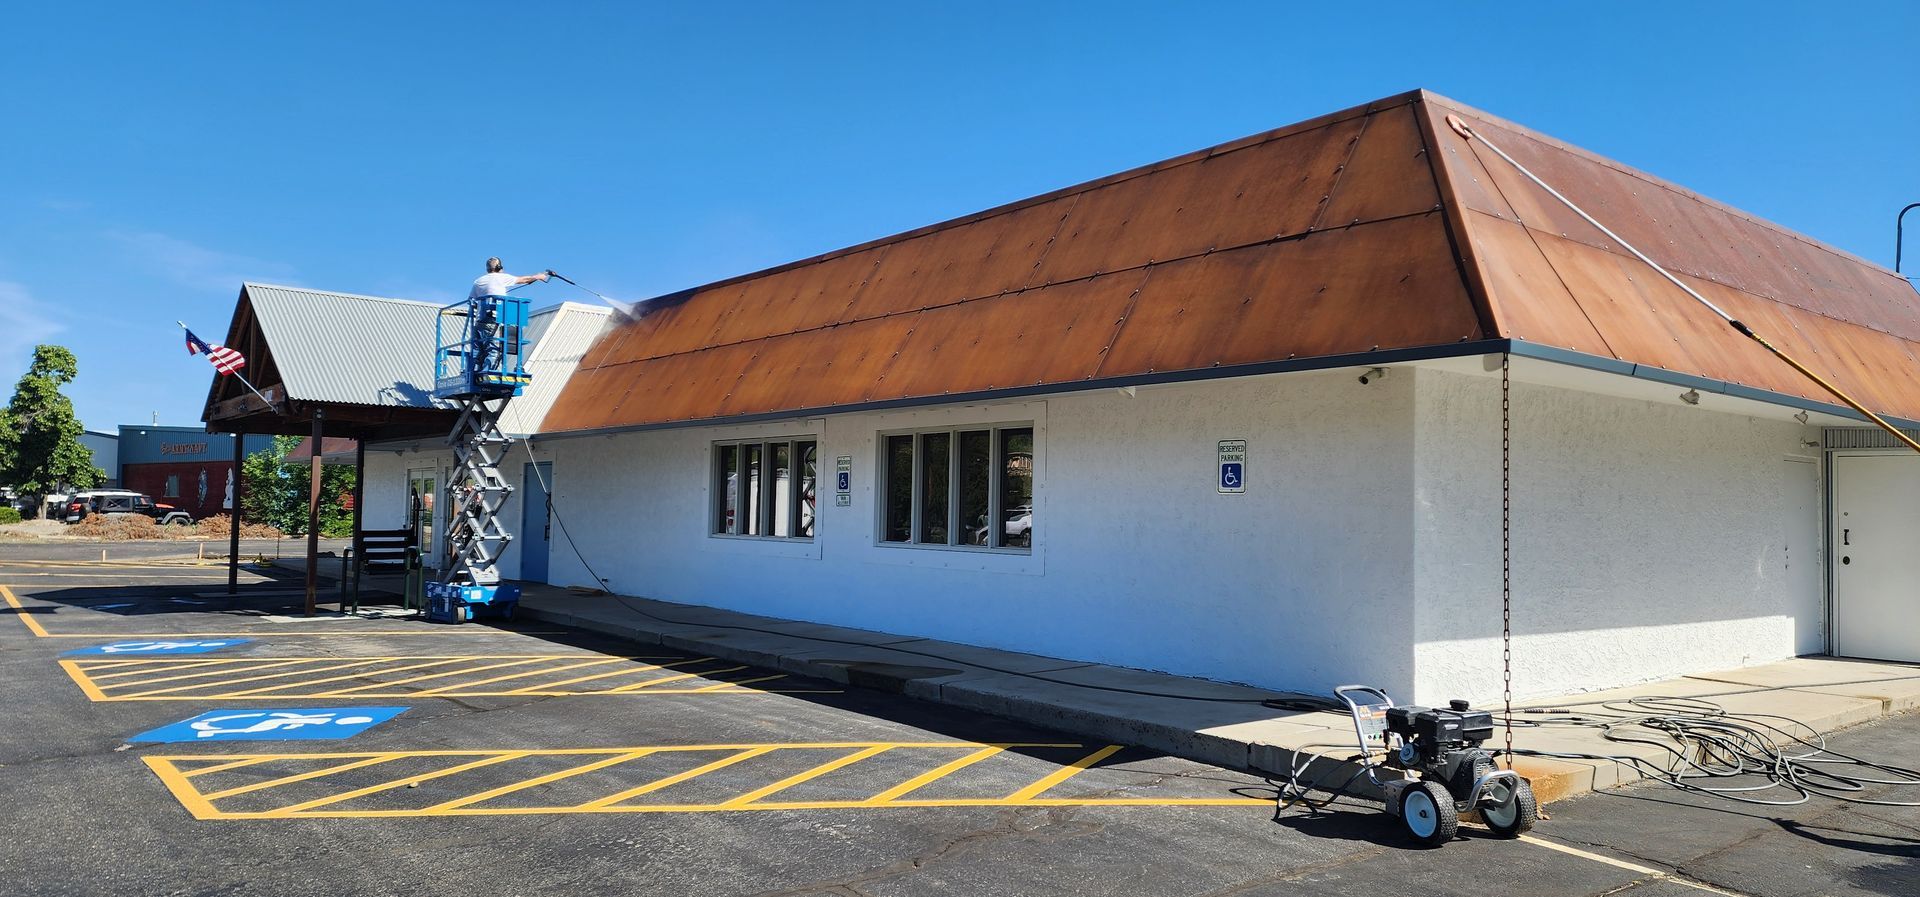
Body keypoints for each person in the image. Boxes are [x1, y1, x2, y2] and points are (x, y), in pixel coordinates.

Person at [470, 257, 549, 299]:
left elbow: (471, 299)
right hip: (498, 315)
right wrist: (538, 276)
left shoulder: (477, 281)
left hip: (481, 318)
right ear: (499, 267)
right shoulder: (501, 277)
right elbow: (524, 280)